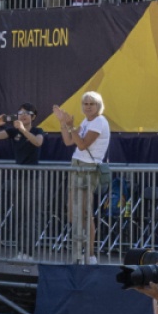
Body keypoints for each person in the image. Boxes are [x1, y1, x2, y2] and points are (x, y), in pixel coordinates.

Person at [55, 91, 111, 264]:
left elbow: (82, 144)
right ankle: (79, 252)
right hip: (77, 165)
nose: (88, 107)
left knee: (85, 212)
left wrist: (71, 126)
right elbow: (68, 141)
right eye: (85, 104)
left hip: (88, 168)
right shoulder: (86, 121)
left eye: (91, 104)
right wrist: (63, 123)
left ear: (98, 106)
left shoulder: (99, 121)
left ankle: (90, 254)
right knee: (73, 212)